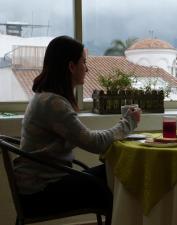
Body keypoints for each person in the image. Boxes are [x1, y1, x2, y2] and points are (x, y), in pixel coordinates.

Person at [13, 35, 140, 220]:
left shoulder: (45, 98)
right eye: (84, 62)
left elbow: (87, 137)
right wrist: (129, 122)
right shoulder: (53, 104)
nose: (87, 68)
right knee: (122, 173)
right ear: (71, 66)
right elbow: (95, 143)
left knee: (117, 170)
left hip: (38, 185)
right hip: (41, 192)